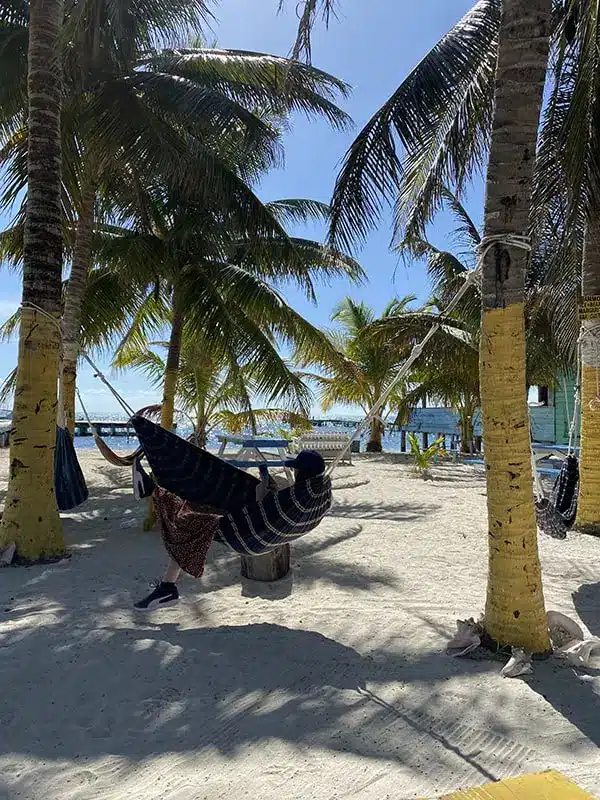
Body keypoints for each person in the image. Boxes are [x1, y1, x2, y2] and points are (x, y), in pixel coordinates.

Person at [134, 450, 326, 611]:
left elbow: (264, 504)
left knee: (188, 518)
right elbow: (273, 510)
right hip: (265, 535)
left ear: (302, 472)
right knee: (198, 518)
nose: (294, 471)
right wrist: (268, 488)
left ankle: (150, 489)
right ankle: (168, 587)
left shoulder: (294, 499)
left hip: (248, 536)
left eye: (296, 469)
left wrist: (265, 490)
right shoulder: (318, 498)